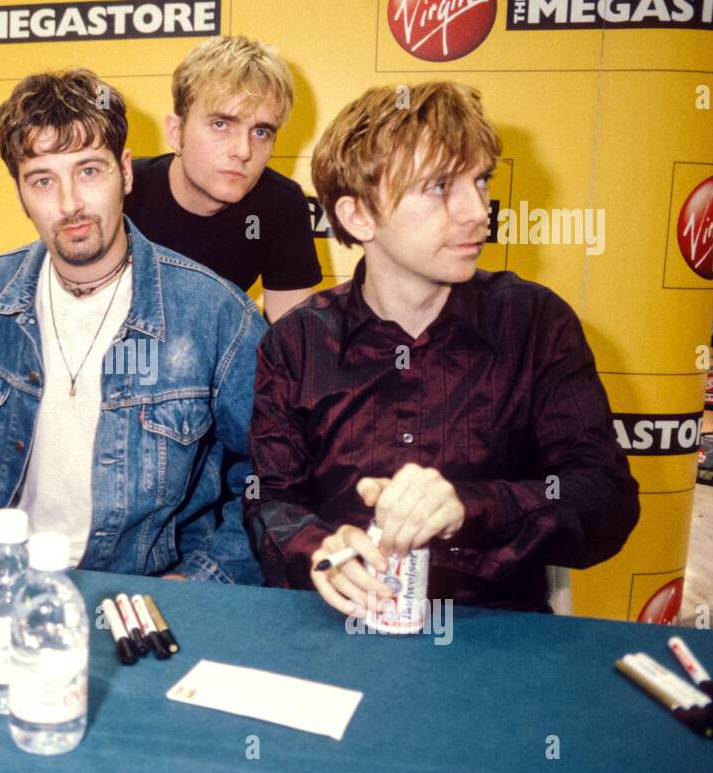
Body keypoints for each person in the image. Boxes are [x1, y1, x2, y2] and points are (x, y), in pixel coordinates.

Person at [245, 81, 639, 612]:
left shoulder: (533, 322)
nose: (478, 211)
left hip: (496, 645)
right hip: (339, 632)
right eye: (439, 186)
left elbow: (605, 500)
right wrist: (318, 547)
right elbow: (273, 501)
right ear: (358, 215)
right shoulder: (296, 343)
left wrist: (469, 509)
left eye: (480, 181)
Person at [0, 68, 266, 583]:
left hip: (144, 590)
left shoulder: (215, 315)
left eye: (89, 171)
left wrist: (199, 580)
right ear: (20, 192)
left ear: (125, 171)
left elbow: (269, 476)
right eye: (43, 180)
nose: (70, 202)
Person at [124, 36, 320, 323]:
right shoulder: (124, 191)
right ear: (176, 132)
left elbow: (294, 345)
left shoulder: (279, 204)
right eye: (221, 124)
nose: (243, 151)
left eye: (261, 132)